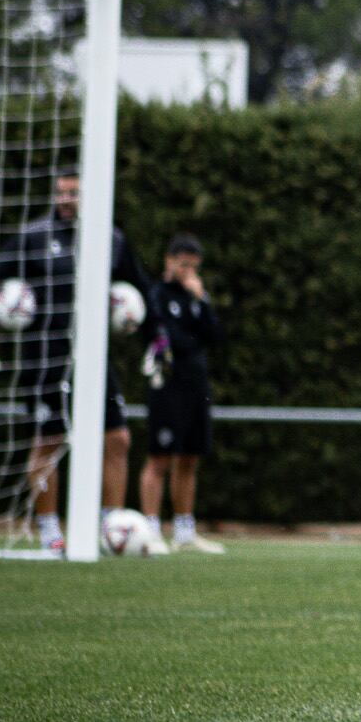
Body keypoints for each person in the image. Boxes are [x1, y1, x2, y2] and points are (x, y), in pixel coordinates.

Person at [0, 169, 154, 553]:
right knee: (49, 440)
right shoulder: (34, 236)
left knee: (118, 438)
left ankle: (110, 527)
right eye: (62, 193)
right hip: (44, 357)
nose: (67, 200)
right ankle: (49, 528)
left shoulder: (110, 239)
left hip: (93, 357)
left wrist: (158, 340)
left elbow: (141, 289)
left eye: (75, 193)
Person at [138, 233, 224, 554]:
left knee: (189, 457)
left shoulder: (195, 296)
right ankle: (150, 529)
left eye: (193, 266)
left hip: (196, 385)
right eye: (183, 264)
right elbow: (169, 337)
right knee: (160, 458)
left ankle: (184, 530)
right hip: (167, 384)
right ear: (169, 260)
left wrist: (202, 300)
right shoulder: (156, 294)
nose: (187, 271)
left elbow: (214, 335)